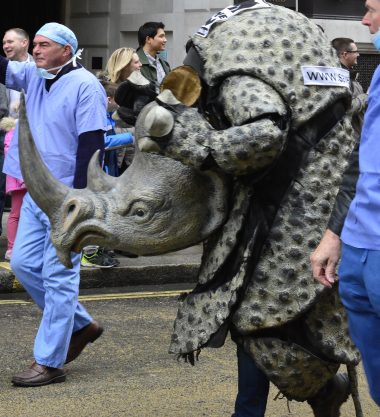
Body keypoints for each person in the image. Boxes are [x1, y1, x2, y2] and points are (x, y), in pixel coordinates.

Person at [0, 22, 106, 387]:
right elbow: (3, 68)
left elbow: (92, 145)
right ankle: (81, 324)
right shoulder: (33, 74)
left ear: (66, 49)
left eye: (44, 45)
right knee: (23, 263)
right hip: (34, 189)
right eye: (36, 45)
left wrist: (79, 200)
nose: (36, 50)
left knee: (59, 277)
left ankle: (50, 361)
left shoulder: (86, 86)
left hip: (65, 198)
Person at [311, 0, 380, 406]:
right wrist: (334, 234)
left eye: (373, 8)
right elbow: (361, 158)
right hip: (357, 252)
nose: (365, 19)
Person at [80, 79, 134, 268]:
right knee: (95, 214)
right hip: (95, 175)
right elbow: (104, 142)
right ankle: (89, 255)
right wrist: (131, 137)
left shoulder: (108, 116)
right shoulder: (99, 117)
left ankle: (100, 251)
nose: (119, 106)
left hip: (105, 173)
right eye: (117, 102)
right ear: (109, 99)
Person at [0, 115, 26, 261]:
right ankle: (11, 248)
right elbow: (13, 158)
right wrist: (22, 179)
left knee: (25, 215)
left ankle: (19, 247)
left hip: (26, 181)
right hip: (19, 182)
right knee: (16, 214)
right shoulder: (12, 134)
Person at [331, 37, 367, 139]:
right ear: (345, 54)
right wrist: (365, 96)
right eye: (355, 51)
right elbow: (346, 109)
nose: (358, 54)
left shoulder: (348, 74)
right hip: (349, 141)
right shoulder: (337, 77)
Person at [136, 21, 170, 92]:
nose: (165, 40)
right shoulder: (133, 63)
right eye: (161, 36)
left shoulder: (165, 65)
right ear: (148, 39)